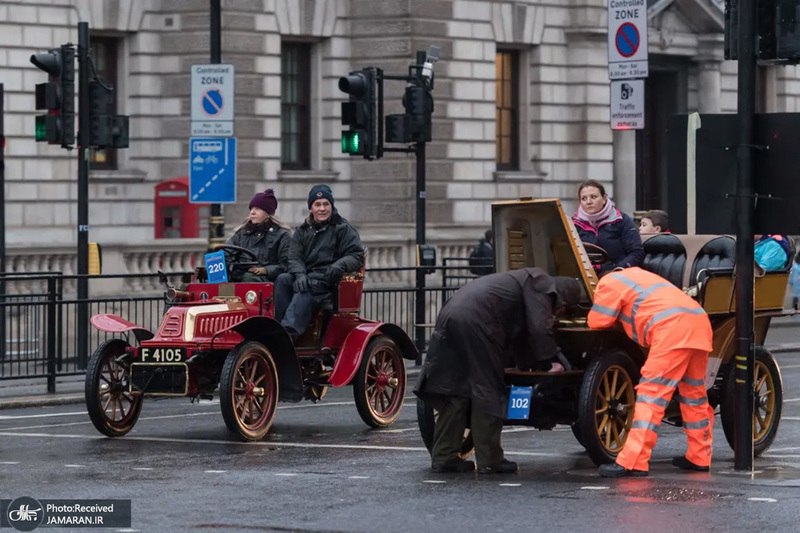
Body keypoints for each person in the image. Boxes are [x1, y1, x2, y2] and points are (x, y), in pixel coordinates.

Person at [414, 268, 583, 474]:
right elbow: (539, 328)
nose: (558, 314)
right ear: (561, 299)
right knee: (488, 389)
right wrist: (548, 365)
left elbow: (520, 336)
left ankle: (444, 457)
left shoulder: (522, 281)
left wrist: (527, 365)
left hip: (452, 313)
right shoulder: (541, 284)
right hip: (478, 322)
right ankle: (490, 460)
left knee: (456, 390)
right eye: (562, 310)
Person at [587, 267, 714, 478]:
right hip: (699, 323)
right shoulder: (638, 276)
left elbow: (598, 321)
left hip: (672, 330)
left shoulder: (608, 282)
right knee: (694, 395)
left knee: (651, 396)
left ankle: (634, 461)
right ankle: (700, 456)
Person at [274, 184, 364, 342]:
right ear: (311, 208)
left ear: (331, 206)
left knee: (308, 286)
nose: (322, 209)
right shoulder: (302, 231)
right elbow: (294, 257)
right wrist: (300, 274)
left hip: (329, 280)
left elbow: (356, 255)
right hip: (307, 276)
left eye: (325, 204)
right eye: (317, 204)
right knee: (283, 280)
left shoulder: (342, 228)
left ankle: (288, 333)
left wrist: (340, 264)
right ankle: (277, 326)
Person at [572, 179, 643, 276]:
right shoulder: (573, 224)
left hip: (617, 275)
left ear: (604, 198)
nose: (588, 202)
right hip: (585, 275)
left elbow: (636, 253)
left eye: (593, 197)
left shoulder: (622, 220)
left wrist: (617, 270)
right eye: (584, 198)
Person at [225, 189, 291, 282]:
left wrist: (265, 270)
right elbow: (227, 253)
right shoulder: (241, 233)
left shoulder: (283, 235)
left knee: (248, 278)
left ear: (268, 214)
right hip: (240, 275)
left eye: (258, 209)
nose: (252, 212)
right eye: (251, 209)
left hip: (266, 281)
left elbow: (286, 264)